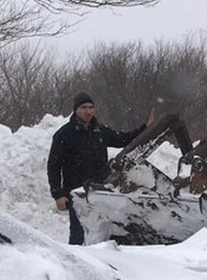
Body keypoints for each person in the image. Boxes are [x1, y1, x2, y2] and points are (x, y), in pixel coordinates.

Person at [47, 92, 154, 245]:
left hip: (100, 192)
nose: (88, 111)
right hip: (77, 194)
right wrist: (58, 194)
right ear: (76, 109)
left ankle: (99, 263)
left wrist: (145, 128)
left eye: (91, 107)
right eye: (84, 107)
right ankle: (75, 264)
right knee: (79, 234)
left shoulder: (100, 131)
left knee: (100, 234)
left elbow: (122, 139)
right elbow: (53, 166)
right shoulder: (64, 134)